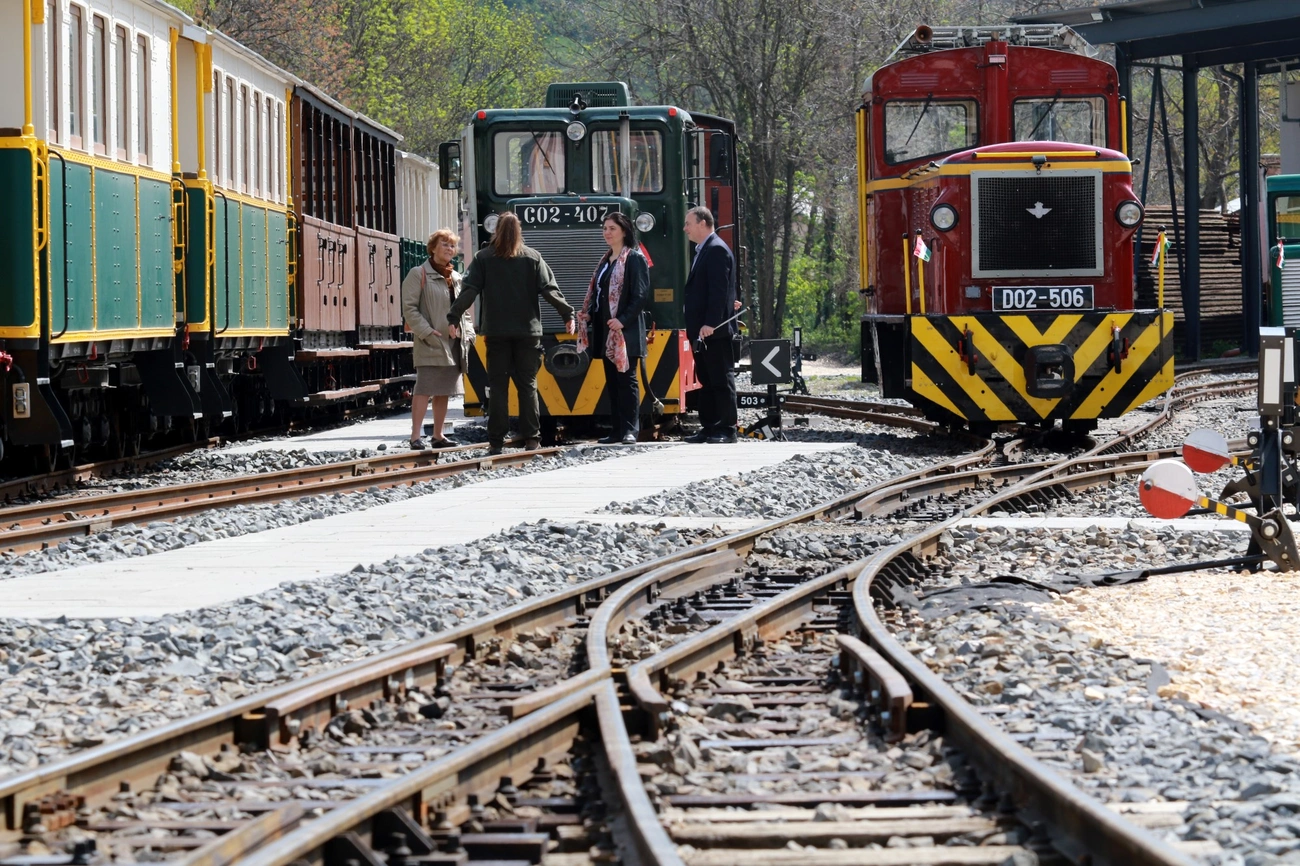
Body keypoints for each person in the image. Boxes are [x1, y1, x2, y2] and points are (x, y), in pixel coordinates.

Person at [447, 212, 575, 454]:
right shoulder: (532, 257)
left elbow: (469, 290)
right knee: (527, 385)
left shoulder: (483, 258)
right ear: (519, 232)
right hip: (528, 333)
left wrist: (454, 316)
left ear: (496, 231)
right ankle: (532, 440)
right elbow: (550, 290)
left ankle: (496, 442)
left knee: (497, 388)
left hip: (496, 333)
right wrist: (567, 314)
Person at [578, 213, 649, 445]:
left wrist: (623, 320)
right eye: (605, 228)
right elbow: (600, 296)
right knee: (612, 381)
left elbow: (639, 296)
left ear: (625, 231)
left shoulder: (634, 259)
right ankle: (617, 430)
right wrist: (588, 314)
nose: (607, 233)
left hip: (624, 333)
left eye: (612, 229)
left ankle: (630, 430)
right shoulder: (605, 261)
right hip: (606, 332)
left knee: (627, 381)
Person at [401, 229, 473, 450]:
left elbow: (465, 312)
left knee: (444, 390)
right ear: (432, 248)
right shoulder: (418, 273)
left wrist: (467, 334)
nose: (450, 249)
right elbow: (409, 309)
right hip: (430, 341)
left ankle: (438, 436)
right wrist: (427, 332)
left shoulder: (457, 277)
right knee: (424, 388)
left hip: (453, 343)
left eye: (452, 245)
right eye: (445, 244)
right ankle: (415, 437)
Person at [682, 206, 738, 443]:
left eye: (688, 223)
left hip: (713, 330)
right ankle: (709, 427)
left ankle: (727, 428)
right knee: (706, 380)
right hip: (701, 332)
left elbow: (719, 291)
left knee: (721, 380)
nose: (685, 228)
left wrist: (711, 323)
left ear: (703, 223)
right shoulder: (702, 251)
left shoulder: (716, 250)